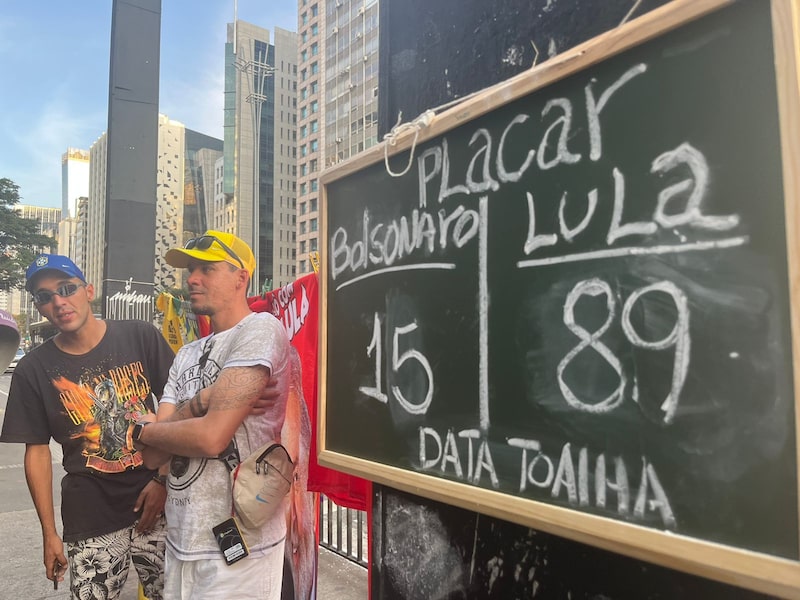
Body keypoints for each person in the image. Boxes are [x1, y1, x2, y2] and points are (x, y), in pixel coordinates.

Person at [0, 254, 173, 599]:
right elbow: (36, 451)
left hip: (157, 501)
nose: (58, 302)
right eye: (45, 296)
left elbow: (178, 406)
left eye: (67, 289)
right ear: (39, 306)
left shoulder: (140, 336)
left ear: (88, 290)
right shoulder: (33, 369)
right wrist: (49, 533)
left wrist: (163, 480)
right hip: (91, 512)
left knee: (176, 593)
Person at [133, 231, 292, 599]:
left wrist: (145, 430)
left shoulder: (260, 330)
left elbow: (210, 438)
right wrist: (201, 402)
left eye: (207, 268)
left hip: (242, 547)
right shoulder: (186, 354)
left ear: (241, 278)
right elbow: (153, 457)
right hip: (181, 539)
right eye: (190, 269)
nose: (192, 278)